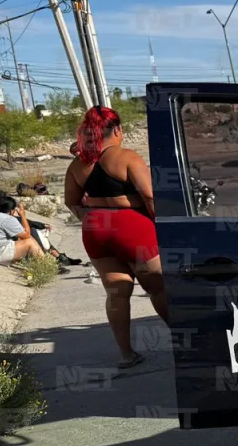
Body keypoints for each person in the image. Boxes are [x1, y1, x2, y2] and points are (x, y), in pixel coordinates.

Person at [63, 106, 169, 369]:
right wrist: (164, 226)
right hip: (133, 227)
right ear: (118, 130)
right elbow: (150, 196)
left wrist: (91, 220)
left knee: (117, 294)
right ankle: (186, 343)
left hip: (97, 230)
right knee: (158, 288)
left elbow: (71, 202)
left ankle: (126, 355)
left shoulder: (78, 164)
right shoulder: (126, 157)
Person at [0, 189, 81, 266]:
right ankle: (49, 264)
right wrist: (24, 215)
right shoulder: (3, 216)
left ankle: (56, 258)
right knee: (29, 236)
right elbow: (23, 228)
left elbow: (16, 223)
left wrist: (38, 224)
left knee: (29, 233)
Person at [0, 196, 58, 266]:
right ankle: (45, 265)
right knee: (29, 241)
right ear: (11, 210)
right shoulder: (7, 219)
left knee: (21, 239)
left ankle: (37, 263)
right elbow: (27, 234)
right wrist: (23, 215)